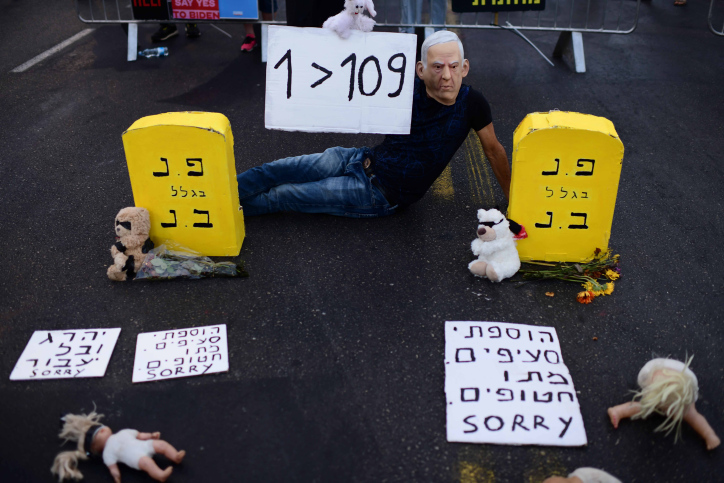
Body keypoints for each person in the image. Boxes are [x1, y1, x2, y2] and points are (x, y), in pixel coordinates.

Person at [236, 30, 511, 217]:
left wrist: (515, 203)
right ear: (421, 70)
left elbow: (494, 151)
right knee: (272, 170)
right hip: (359, 158)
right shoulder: (402, 86)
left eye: (453, 67)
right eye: (437, 67)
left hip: (379, 194)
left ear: (464, 68)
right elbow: (350, 76)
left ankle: (223, 213)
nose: (446, 76)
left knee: (283, 195)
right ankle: (211, 196)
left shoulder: (473, 103)